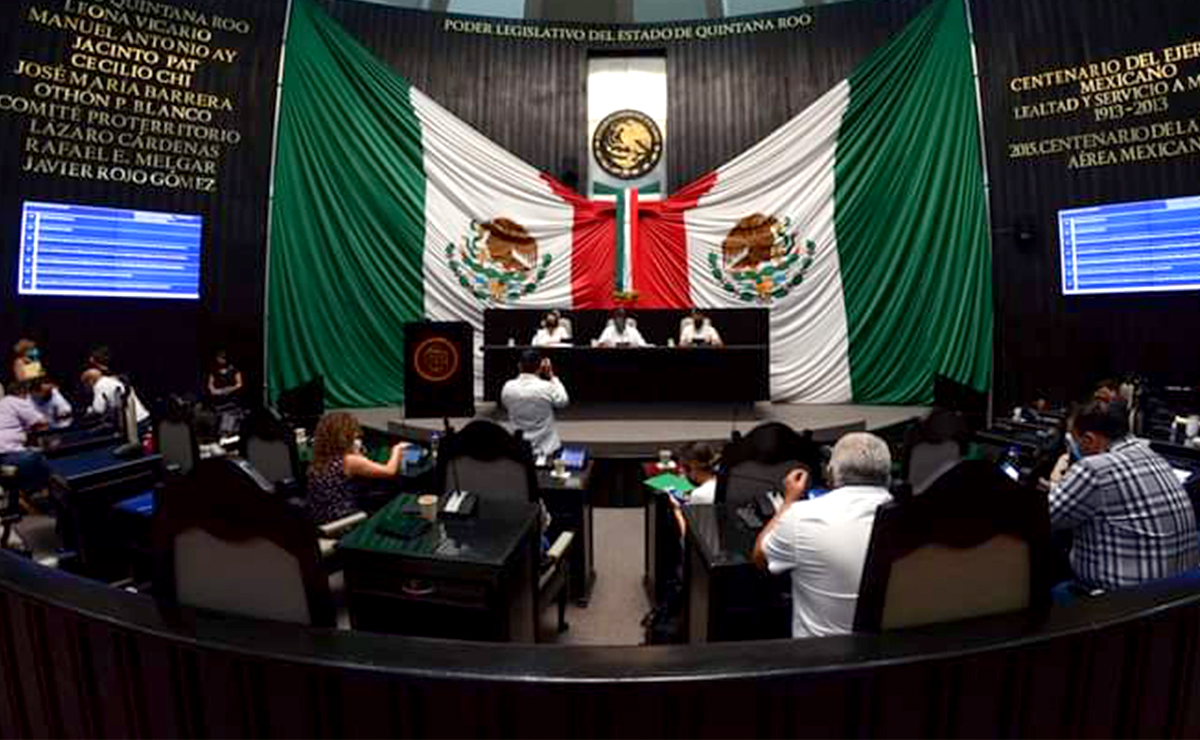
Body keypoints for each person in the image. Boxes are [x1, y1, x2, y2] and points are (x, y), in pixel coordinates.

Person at [753, 432, 894, 638]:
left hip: (821, 654)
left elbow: (760, 557)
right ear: (888, 476)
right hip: (895, 652)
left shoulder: (801, 516)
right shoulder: (914, 518)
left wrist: (789, 501)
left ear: (831, 472)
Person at [1049, 400, 1198, 592]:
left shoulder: (1094, 469)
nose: (1074, 447)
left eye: (1074, 440)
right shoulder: (1153, 456)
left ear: (1089, 439)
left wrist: (1055, 479)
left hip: (1122, 600)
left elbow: (1044, 519)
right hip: (1177, 592)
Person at [307, 412, 409, 525]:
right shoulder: (349, 461)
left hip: (320, 519)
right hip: (342, 522)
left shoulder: (319, 458)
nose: (356, 434)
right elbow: (390, 471)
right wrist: (397, 449)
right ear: (345, 435)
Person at [501, 349, 569, 458]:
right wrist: (552, 376)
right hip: (547, 448)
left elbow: (505, 404)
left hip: (519, 449)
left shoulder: (508, 387)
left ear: (519, 366)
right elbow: (563, 401)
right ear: (540, 367)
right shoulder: (547, 387)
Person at [0, 381, 50, 495]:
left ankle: (20, 494)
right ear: (24, 393)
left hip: (4, 462)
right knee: (40, 458)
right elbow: (41, 422)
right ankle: (40, 495)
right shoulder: (14, 401)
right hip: (9, 458)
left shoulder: (4, 404)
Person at [80, 368, 149, 425]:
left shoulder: (99, 385)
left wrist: (88, 411)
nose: (86, 388)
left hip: (134, 422)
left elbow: (99, 409)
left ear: (90, 381)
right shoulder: (110, 380)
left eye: (85, 384)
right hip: (142, 417)